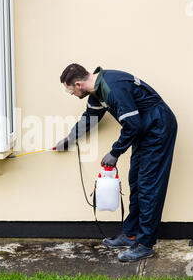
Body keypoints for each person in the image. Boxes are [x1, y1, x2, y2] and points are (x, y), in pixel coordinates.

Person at [56, 63, 177, 262]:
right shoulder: (97, 92)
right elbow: (90, 118)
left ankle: (145, 244)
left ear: (78, 85)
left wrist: (115, 152)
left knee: (148, 186)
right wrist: (70, 138)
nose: (72, 95)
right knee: (136, 183)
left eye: (70, 91)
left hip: (158, 128)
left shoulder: (112, 88)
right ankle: (130, 234)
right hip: (144, 132)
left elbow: (132, 124)